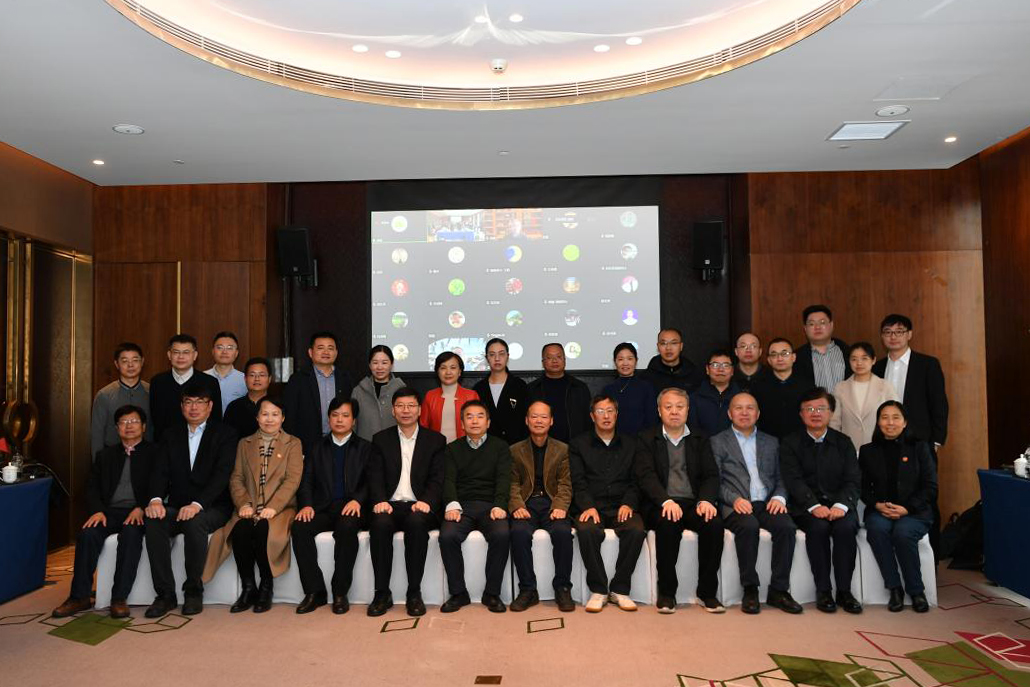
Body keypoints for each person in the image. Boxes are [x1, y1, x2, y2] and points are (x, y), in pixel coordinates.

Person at [53, 405, 158, 619]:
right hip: (108, 512)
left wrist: (142, 507)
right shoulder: (105, 455)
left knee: (130, 536)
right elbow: (91, 487)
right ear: (117, 428)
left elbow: (160, 485)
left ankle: (118, 598)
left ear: (144, 426)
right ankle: (79, 597)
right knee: (87, 535)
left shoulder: (155, 453)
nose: (129, 426)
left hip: (138, 512)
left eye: (134, 421)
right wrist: (98, 511)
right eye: (123, 422)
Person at [143, 380, 237, 617]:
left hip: (213, 506)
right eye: (188, 402)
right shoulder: (170, 434)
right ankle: (165, 594)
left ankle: (193, 590)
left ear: (210, 406)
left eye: (200, 402)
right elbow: (159, 471)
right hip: (177, 505)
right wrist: (155, 500)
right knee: (154, 520)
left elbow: (222, 475)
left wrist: (197, 505)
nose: (194, 407)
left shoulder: (225, 434)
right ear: (182, 406)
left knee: (195, 522)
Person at [203, 397, 303, 613]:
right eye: (265, 414)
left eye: (275, 414)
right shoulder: (244, 443)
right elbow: (236, 478)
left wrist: (273, 507)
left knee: (264, 530)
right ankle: (249, 588)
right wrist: (244, 504)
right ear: (257, 418)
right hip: (249, 506)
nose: (270, 419)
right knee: (241, 529)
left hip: (281, 509)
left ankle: (266, 587)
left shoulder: (293, 443)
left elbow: (292, 480)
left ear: (283, 418)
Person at [635, 388, 725, 614]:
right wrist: (665, 502)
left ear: (687, 410)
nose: (674, 411)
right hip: (661, 503)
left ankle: (707, 593)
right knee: (668, 524)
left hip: (693, 503)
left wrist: (706, 500)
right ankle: (667, 593)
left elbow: (711, 475)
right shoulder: (646, 438)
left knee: (714, 524)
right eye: (668, 407)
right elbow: (645, 476)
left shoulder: (700, 438)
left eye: (679, 407)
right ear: (659, 411)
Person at [711, 393, 802, 615]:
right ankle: (750, 589)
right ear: (729, 413)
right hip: (736, 504)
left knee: (786, 527)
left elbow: (783, 477)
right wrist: (734, 499)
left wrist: (779, 497)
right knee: (748, 526)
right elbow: (714, 480)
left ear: (758, 413)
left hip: (767, 503)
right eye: (738, 408)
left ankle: (779, 590)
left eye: (750, 408)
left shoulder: (771, 442)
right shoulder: (717, 441)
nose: (744, 412)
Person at [779, 388, 862, 614]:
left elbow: (853, 479)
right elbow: (793, 479)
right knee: (818, 528)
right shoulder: (790, 443)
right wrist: (814, 506)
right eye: (809, 409)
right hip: (806, 507)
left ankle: (844, 591)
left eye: (821, 408)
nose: (815, 413)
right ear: (801, 414)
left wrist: (841, 505)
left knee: (845, 528)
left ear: (831, 412)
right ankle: (823, 590)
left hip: (840, 506)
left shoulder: (844, 442)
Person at [873, 314, 948, 558]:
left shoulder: (927, 364)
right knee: (889, 493)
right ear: (882, 336)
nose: (893, 337)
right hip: (885, 443)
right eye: (888, 332)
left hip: (920, 443)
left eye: (899, 331)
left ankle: (932, 559)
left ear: (909, 334)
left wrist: (935, 441)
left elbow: (939, 405)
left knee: (926, 498)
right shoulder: (877, 367)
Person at [367, 387, 447, 617]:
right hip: (390, 504)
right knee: (379, 524)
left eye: (411, 406)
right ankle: (382, 593)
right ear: (393, 411)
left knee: (416, 523)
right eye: (400, 406)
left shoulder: (435, 440)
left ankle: (414, 592)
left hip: (419, 505)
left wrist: (427, 501)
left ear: (419, 410)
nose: (406, 410)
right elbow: (374, 475)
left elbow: (438, 478)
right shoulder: (381, 439)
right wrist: (380, 500)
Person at [291, 397, 372, 614]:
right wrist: (306, 505)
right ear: (328, 419)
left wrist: (357, 500)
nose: (339, 420)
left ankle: (339, 592)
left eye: (345, 415)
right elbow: (306, 480)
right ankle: (314, 591)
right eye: (335, 415)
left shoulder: (365, 447)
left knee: (346, 528)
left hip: (352, 508)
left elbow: (371, 481)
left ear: (354, 420)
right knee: (300, 527)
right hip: (323, 508)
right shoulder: (317, 447)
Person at [568, 395, 646, 613]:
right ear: (592, 416)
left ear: (617, 414)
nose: (606, 416)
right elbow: (578, 481)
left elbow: (637, 480)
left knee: (636, 530)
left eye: (610, 411)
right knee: (586, 530)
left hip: (622, 505)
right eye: (600, 411)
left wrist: (629, 503)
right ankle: (599, 589)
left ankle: (620, 589)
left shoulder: (632, 444)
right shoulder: (578, 444)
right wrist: (588, 506)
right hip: (592, 505)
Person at [859, 401, 937, 613]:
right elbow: (861, 487)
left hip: (914, 511)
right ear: (878, 422)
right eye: (884, 418)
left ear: (905, 422)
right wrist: (877, 505)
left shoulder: (920, 448)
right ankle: (894, 588)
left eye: (896, 417)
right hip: (880, 510)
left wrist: (908, 508)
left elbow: (930, 487)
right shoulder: (867, 451)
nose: (890, 423)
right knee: (877, 530)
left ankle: (916, 591)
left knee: (903, 533)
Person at [438, 401, 512, 613]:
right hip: (463, 506)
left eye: (480, 416)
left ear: (488, 422)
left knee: (501, 534)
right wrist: (452, 505)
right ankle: (458, 593)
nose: (475, 421)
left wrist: (500, 505)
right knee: (447, 536)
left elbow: (504, 479)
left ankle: (492, 593)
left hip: (490, 505)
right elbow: (448, 480)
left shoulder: (500, 447)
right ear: (462, 424)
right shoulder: (452, 449)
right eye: (469, 417)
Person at [508, 401, 575, 612]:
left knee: (563, 532)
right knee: (518, 532)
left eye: (544, 417)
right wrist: (517, 505)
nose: (539, 421)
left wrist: (560, 506)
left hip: (552, 503)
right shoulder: (515, 450)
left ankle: (562, 587)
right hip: (526, 503)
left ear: (551, 421)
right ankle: (528, 589)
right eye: (534, 416)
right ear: (527, 420)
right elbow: (512, 483)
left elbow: (565, 483)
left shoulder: (562, 449)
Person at [284, 331, 354, 455]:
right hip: (306, 445)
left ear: (336, 353)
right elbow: (290, 416)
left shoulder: (345, 379)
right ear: (310, 352)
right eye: (320, 348)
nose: (326, 352)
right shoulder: (298, 380)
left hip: (340, 443)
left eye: (330, 348)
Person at [149, 334, 222, 441]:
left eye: (186, 352)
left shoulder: (210, 382)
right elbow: (155, 419)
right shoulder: (157, 382)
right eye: (176, 352)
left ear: (195, 355)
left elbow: (216, 419)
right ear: (169, 355)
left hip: (202, 443)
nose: (181, 357)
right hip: (166, 444)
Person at [830, 342, 899, 453]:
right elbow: (834, 422)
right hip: (848, 449)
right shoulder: (840, 387)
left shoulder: (886, 386)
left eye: (864, 358)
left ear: (873, 360)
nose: (859, 363)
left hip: (879, 448)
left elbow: (896, 418)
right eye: (854, 359)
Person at [91, 343, 152, 457]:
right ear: (116, 364)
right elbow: (97, 434)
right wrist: (98, 463)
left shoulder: (152, 392)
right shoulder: (104, 395)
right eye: (124, 361)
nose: (130, 365)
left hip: (147, 456)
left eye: (135, 360)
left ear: (142, 362)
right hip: (113, 456)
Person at [526, 343, 592, 443]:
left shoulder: (579, 387)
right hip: (541, 445)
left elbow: (588, 421)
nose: (554, 360)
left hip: (574, 446)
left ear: (564, 360)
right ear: (543, 362)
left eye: (559, 357)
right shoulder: (532, 389)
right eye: (549, 357)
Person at [751, 338, 811, 439]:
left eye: (784, 354)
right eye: (774, 355)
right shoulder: (758, 386)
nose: (779, 358)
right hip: (767, 441)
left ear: (793, 357)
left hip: (801, 442)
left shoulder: (807, 385)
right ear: (769, 360)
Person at [473, 338, 529, 445]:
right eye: (492, 354)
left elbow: (527, 418)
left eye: (501, 354)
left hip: (515, 446)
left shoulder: (519, 386)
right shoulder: (479, 388)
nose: (497, 358)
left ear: (507, 356)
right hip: (487, 447)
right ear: (487, 358)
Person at [420, 351, 479, 442]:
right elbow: (423, 427)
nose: (448, 372)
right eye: (443, 368)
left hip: (464, 447)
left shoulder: (471, 395)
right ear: (437, 372)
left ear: (459, 372)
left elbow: (477, 426)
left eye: (453, 368)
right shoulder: (430, 396)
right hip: (436, 447)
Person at [352, 345, 406, 441]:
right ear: (369, 365)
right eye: (375, 363)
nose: (379, 367)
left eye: (384, 363)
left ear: (391, 364)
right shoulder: (358, 391)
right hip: (365, 447)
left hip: (394, 447)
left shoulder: (401, 390)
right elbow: (352, 424)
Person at [603, 342, 657, 435]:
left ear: (636, 361)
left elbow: (652, 420)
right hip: (615, 440)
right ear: (615, 362)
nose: (625, 363)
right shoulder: (608, 390)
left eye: (630, 359)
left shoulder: (646, 388)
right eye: (620, 359)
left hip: (641, 440)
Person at [794, 305, 850, 390]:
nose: (817, 327)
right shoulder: (796, 358)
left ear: (831, 325)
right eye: (812, 324)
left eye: (822, 322)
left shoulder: (849, 352)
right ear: (805, 329)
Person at [689, 349, 740, 437]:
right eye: (715, 365)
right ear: (707, 369)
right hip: (703, 445)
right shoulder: (694, 398)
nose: (720, 369)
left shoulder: (741, 398)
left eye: (726, 365)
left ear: (732, 371)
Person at [641, 327, 702, 394]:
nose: (668, 348)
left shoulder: (694, 375)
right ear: (658, 347)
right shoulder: (646, 377)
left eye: (674, 343)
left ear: (681, 346)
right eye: (663, 343)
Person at [222, 357, 272, 439]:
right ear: (245, 379)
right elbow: (226, 438)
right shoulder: (234, 407)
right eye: (252, 375)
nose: (257, 379)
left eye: (261, 375)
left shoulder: (278, 405)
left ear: (269, 379)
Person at [205, 331, 247, 413]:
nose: (224, 352)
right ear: (213, 351)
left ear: (236, 353)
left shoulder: (244, 379)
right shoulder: (202, 377)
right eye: (220, 347)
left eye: (230, 348)